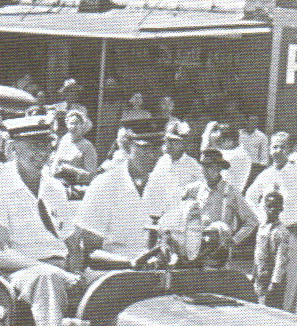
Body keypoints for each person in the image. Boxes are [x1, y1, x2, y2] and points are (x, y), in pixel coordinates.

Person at [0, 114, 79, 326]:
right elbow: (0, 254)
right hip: (17, 274)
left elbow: (73, 242)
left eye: (46, 145)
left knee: (109, 285)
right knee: (47, 279)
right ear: (12, 148)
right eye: (34, 146)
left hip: (60, 268)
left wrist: (76, 271)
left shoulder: (55, 188)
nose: (42, 153)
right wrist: (53, 270)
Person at [246, 131, 297, 313]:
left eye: (282, 147)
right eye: (274, 147)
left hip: (291, 234)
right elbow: (250, 197)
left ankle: (286, 321)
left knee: (287, 283)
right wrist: (262, 219)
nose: (277, 151)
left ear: (290, 149)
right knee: (262, 278)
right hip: (267, 236)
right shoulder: (266, 174)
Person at [74, 116, 172, 263]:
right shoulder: (104, 185)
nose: (153, 155)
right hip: (114, 272)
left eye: (158, 148)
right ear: (127, 147)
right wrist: (130, 263)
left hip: (156, 272)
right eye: (145, 148)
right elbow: (89, 251)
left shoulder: (166, 184)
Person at [176, 147, 258, 251]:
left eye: (209, 166)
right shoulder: (195, 188)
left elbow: (252, 221)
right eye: (203, 166)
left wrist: (234, 240)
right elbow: (177, 204)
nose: (205, 170)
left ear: (219, 168)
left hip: (218, 250)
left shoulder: (230, 192)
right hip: (194, 245)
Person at [143, 118, 201, 207]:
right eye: (168, 141)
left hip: (181, 209)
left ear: (183, 144)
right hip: (161, 208)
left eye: (174, 142)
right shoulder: (162, 161)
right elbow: (152, 184)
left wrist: (187, 190)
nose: (169, 145)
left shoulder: (192, 164)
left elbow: (204, 184)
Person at [252, 190, 290, 308]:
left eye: (276, 207)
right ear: (264, 207)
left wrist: (275, 282)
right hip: (260, 276)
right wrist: (254, 273)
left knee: (271, 309)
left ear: (281, 209)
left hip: (271, 279)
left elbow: (281, 259)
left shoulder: (281, 231)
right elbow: (258, 252)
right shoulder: (262, 227)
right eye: (270, 206)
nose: (272, 210)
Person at [52, 104, 98, 188]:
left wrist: (70, 170)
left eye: (77, 123)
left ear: (82, 126)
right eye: (71, 123)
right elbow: (55, 165)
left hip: (77, 188)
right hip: (59, 184)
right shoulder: (64, 140)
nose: (73, 127)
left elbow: (91, 176)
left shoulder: (88, 146)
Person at [214, 124, 252, 193]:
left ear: (229, 141)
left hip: (228, 197)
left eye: (219, 142)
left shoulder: (239, 156)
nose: (218, 146)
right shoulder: (231, 152)